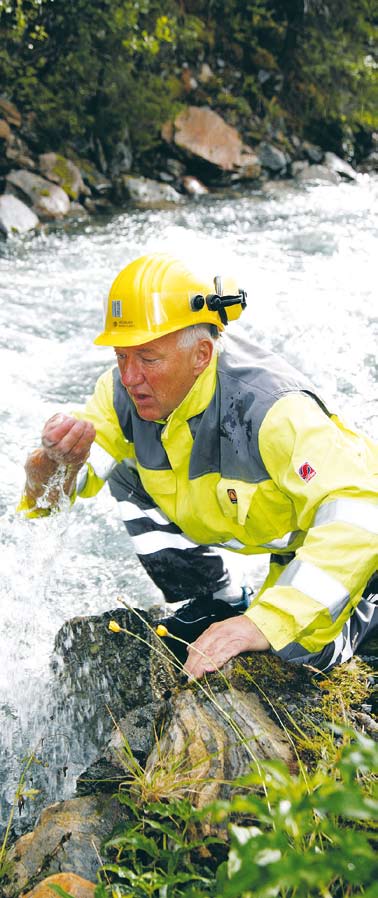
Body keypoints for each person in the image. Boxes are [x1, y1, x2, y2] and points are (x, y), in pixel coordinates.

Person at [19, 253, 378, 678]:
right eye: (121, 356)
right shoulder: (120, 396)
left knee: (291, 657)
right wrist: (50, 464)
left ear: (202, 355)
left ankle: (366, 613)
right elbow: (50, 501)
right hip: (285, 536)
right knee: (123, 469)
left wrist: (265, 622)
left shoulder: (274, 412)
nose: (130, 377)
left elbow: (363, 514)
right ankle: (218, 597)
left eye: (148, 359)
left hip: (355, 548)